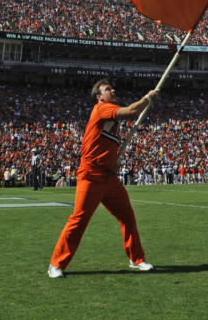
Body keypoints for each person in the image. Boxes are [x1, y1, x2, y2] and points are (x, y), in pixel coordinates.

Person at [47, 79, 158, 278]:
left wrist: (113, 161)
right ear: (99, 97)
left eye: (112, 88)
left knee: (128, 217)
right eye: (108, 89)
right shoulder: (102, 109)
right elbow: (132, 112)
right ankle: (56, 264)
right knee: (79, 219)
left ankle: (136, 259)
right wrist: (148, 98)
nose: (113, 90)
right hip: (90, 175)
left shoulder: (112, 118)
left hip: (109, 178)